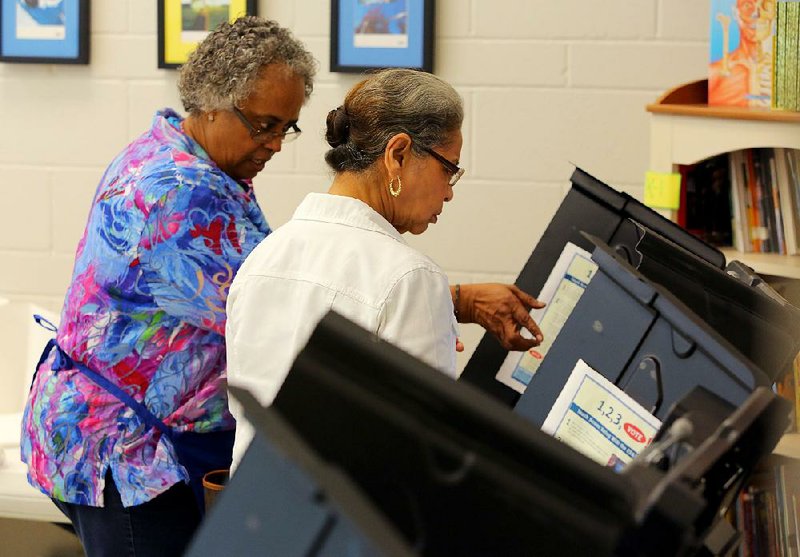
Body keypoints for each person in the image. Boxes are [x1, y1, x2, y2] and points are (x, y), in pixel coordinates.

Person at [20, 17, 316, 557]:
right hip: (132, 457)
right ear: (210, 102)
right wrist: (443, 298)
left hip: (123, 439)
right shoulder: (181, 192)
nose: (275, 144)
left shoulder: (178, 149)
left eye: (286, 128)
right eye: (264, 125)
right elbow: (274, 309)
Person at [225, 68, 546, 468]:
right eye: (449, 169)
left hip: (249, 512)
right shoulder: (411, 278)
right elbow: (423, 454)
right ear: (398, 154)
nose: (448, 191)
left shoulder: (264, 256)